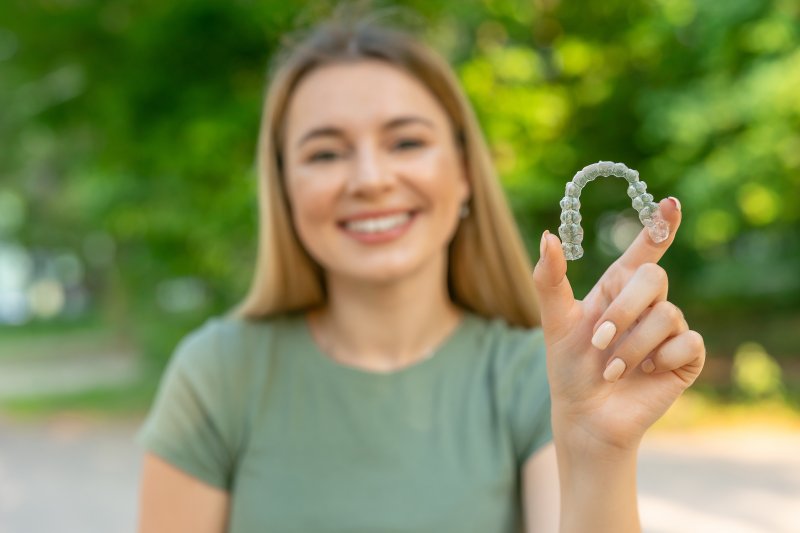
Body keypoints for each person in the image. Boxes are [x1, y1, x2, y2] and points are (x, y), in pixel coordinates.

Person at [135, 14, 705, 533]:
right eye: (326, 153)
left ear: (463, 173)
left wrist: (596, 452)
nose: (369, 179)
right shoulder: (217, 376)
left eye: (406, 142)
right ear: (284, 187)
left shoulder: (541, 379)